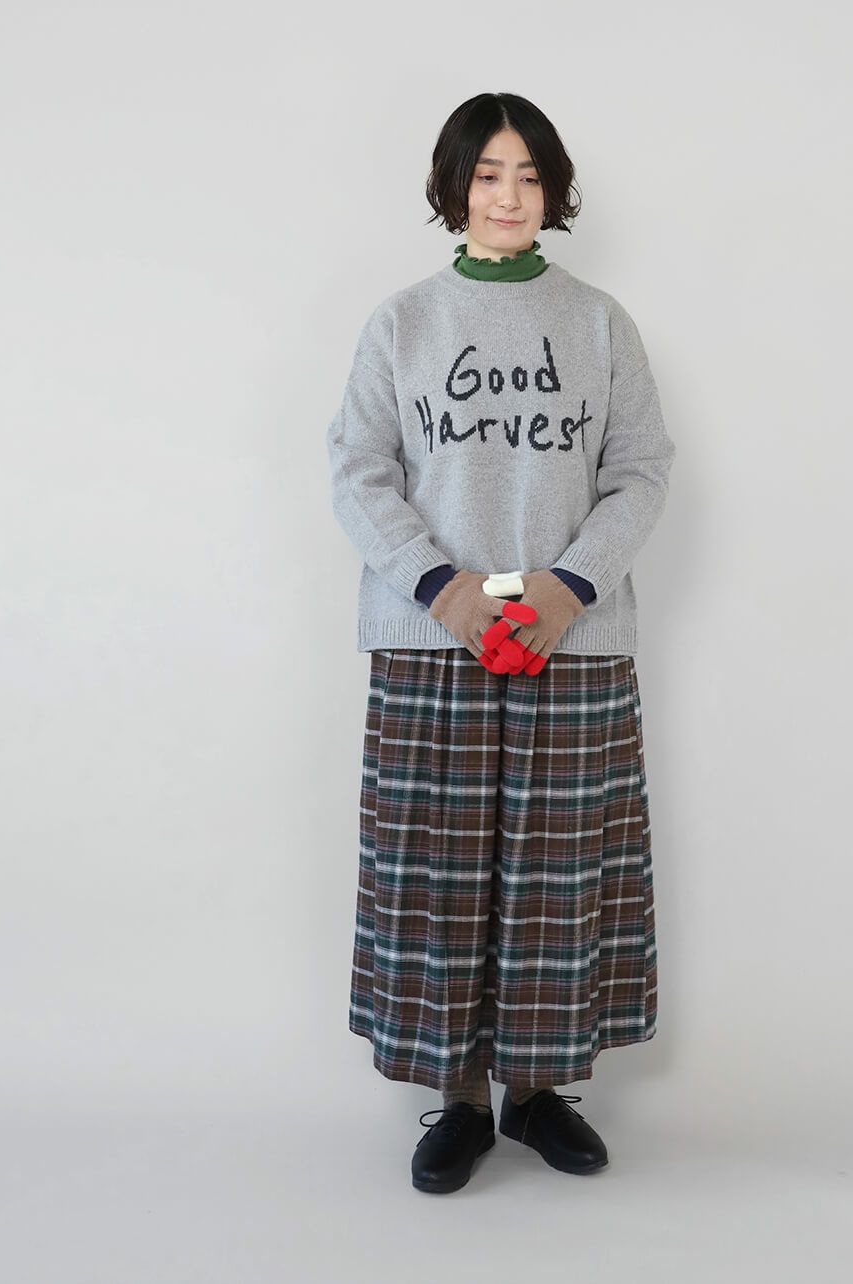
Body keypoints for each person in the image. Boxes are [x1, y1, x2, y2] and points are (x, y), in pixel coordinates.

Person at [326, 91, 675, 1194]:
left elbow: (640, 470)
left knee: (557, 877)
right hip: (433, 643)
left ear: (554, 189)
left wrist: (569, 588)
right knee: (436, 875)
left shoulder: (600, 323)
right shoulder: (401, 324)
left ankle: (533, 1093)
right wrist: (443, 589)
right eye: (487, 174)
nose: (508, 195)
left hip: (572, 641)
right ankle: (461, 1100)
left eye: (528, 174)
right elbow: (358, 471)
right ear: (453, 187)